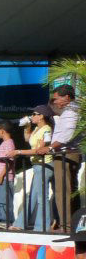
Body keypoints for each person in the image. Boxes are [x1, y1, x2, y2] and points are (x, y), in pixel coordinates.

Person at [13, 104, 55, 231]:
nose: (32, 116)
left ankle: (41, 226)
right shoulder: (37, 128)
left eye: (34, 114)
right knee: (33, 196)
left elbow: (40, 149)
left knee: (42, 197)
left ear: (41, 116)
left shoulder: (47, 129)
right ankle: (20, 224)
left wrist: (19, 152)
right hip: (37, 165)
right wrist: (27, 127)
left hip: (44, 165)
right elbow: (28, 139)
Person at [50, 84, 80, 231]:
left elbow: (67, 136)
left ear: (67, 97)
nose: (55, 102)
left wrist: (50, 147)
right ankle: (73, 224)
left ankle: (67, 225)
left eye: (57, 99)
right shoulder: (69, 110)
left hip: (65, 154)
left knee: (63, 191)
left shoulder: (71, 110)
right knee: (70, 190)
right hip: (66, 153)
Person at [0, 121, 17, 229]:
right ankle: (1, 220)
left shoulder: (9, 143)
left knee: (5, 200)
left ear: (2, 131)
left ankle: (6, 221)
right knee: (0, 200)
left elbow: (10, 161)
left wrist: (2, 175)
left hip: (5, 177)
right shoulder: (4, 143)